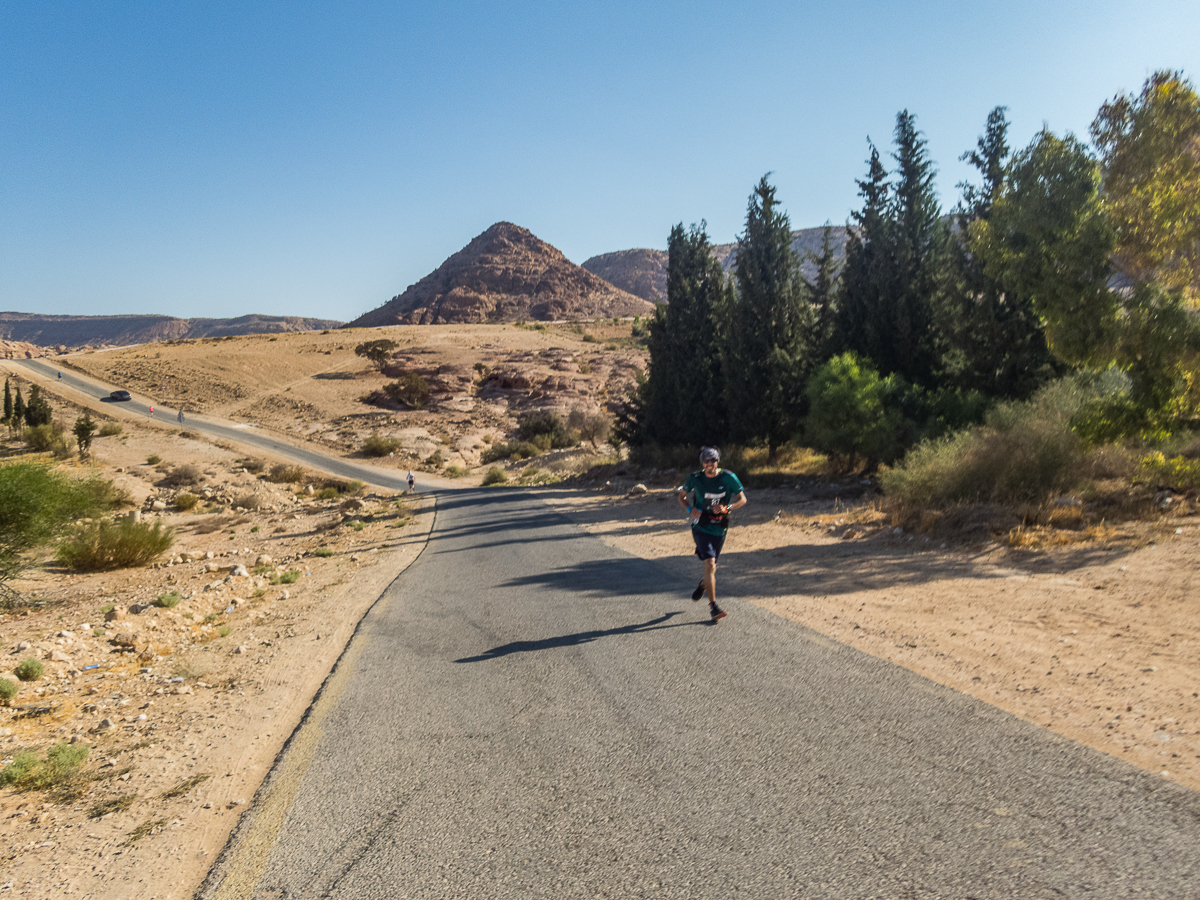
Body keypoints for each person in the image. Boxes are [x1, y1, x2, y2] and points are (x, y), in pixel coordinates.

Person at [677, 446, 747, 621]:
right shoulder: (695, 478)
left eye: (713, 461)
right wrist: (690, 509)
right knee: (709, 563)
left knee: (712, 567)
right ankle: (713, 607)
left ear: (718, 462)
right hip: (700, 526)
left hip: (720, 527)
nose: (710, 464)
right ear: (702, 463)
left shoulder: (728, 477)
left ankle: (703, 585)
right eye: (707, 461)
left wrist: (727, 507)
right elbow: (681, 497)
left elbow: (742, 499)